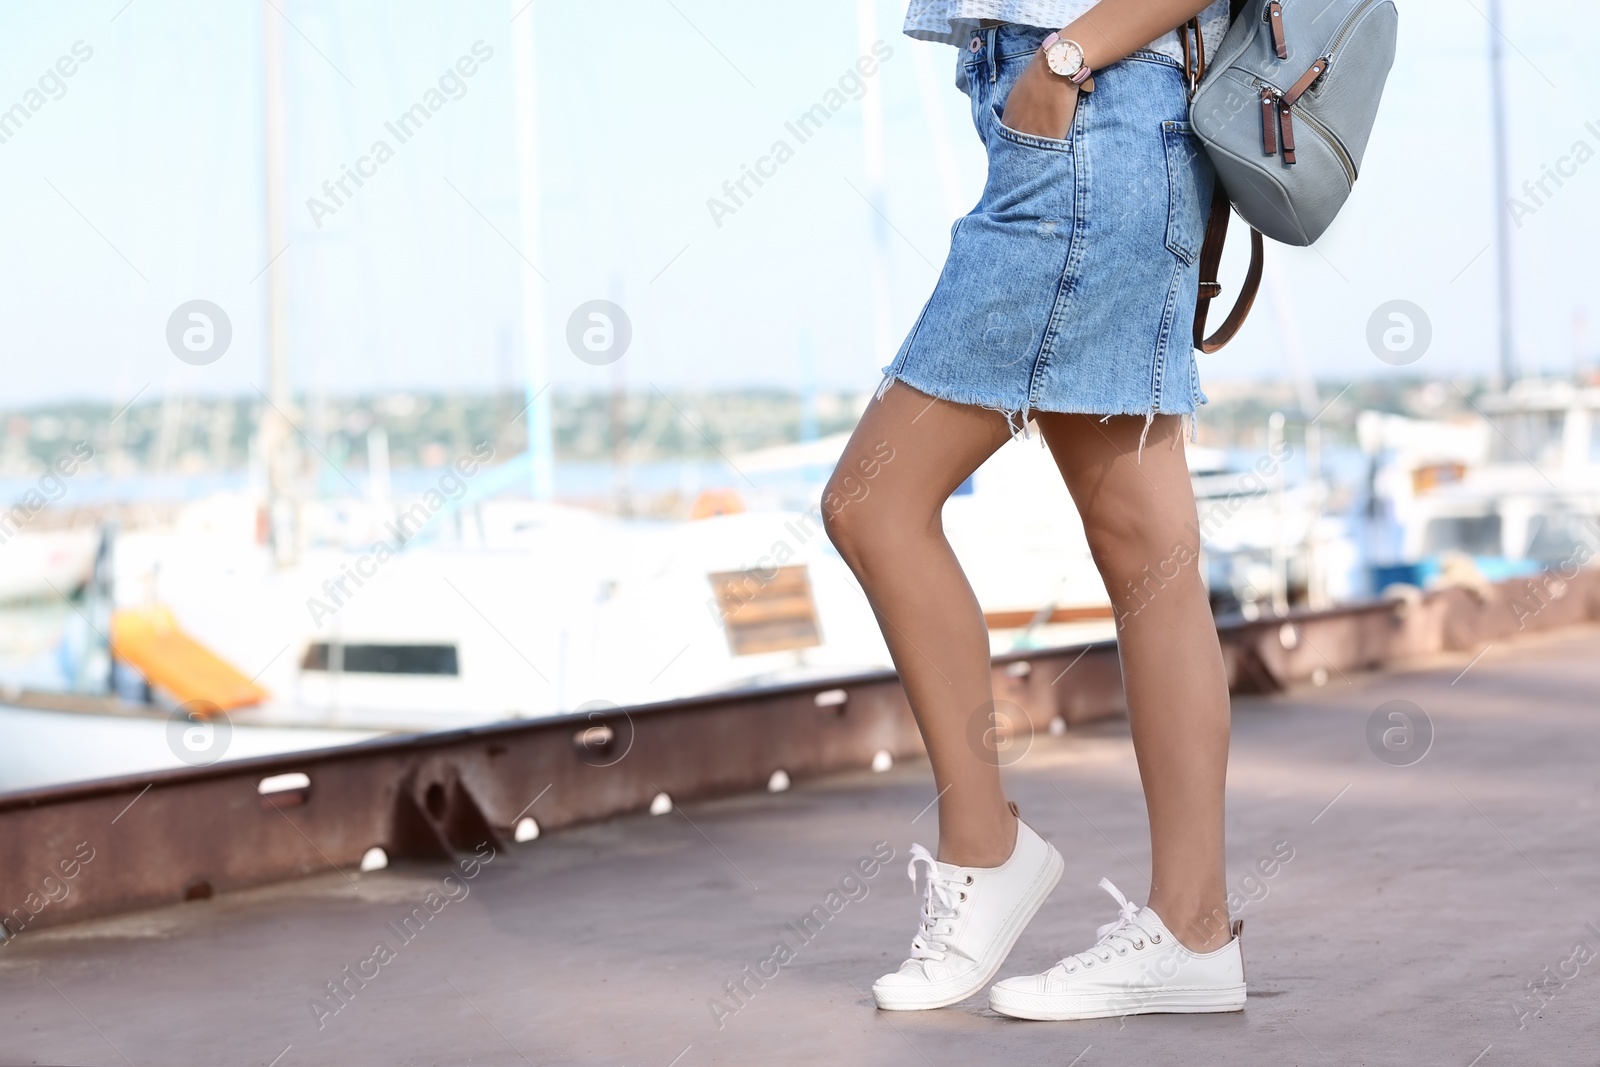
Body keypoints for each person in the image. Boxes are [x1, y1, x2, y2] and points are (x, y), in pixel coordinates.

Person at [822, 0, 1247, 1021]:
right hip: (1087, 109)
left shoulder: (1072, 71)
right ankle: (1191, 928)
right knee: (1149, 554)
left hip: (1091, 109)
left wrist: (1063, 58)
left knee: (871, 504)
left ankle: (987, 845)